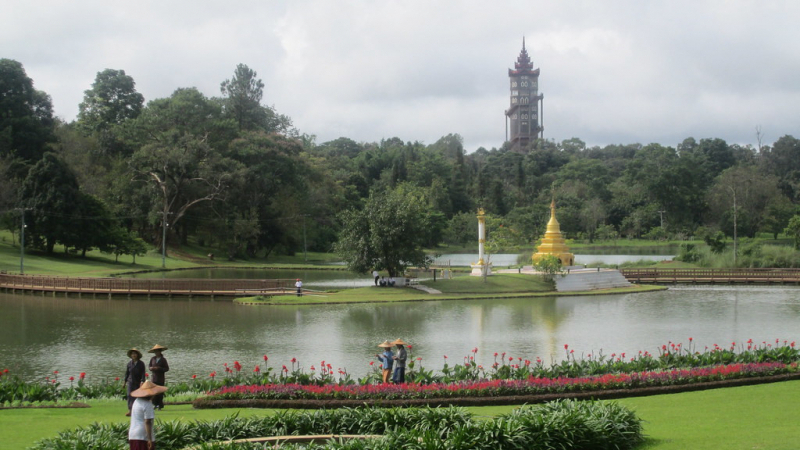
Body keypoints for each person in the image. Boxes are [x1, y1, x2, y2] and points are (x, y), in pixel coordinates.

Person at [128, 379, 167, 450]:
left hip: (133, 434)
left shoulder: (136, 401)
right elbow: (147, 422)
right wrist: (149, 439)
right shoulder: (147, 404)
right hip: (143, 435)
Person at [124, 348, 146, 416]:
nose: (134, 355)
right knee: (129, 395)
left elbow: (143, 373)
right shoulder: (129, 364)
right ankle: (130, 410)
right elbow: (127, 373)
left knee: (137, 396)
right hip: (130, 381)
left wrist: (142, 381)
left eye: (135, 354)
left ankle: (137, 411)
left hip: (138, 382)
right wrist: (124, 382)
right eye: (132, 354)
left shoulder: (141, 364)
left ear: (137, 355)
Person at [147, 344, 169, 410]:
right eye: (155, 351)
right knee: (154, 392)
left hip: (160, 378)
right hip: (154, 378)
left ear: (160, 351)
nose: (157, 353)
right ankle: (155, 404)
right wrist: (151, 368)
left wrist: (159, 368)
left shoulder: (163, 359)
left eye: (158, 351)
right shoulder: (152, 359)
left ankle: (160, 405)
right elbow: (149, 367)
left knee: (160, 392)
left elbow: (166, 369)